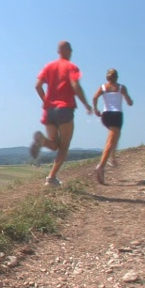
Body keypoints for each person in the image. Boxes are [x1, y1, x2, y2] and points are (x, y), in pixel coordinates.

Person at [30, 41, 93, 186]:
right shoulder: (71, 67)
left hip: (49, 111)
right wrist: (86, 104)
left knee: (54, 144)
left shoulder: (49, 66)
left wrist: (46, 101)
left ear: (58, 51)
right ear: (69, 51)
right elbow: (75, 85)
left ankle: (43, 141)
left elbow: (37, 86)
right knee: (64, 147)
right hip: (64, 110)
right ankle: (51, 178)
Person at [92, 68, 133, 184]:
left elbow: (95, 97)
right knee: (111, 141)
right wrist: (129, 101)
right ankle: (101, 166)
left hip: (105, 115)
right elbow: (129, 101)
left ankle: (113, 157)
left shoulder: (103, 87)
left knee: (113, 138)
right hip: (116, 116)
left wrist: (95, 109)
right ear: (117, 77)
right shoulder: (121, 88)